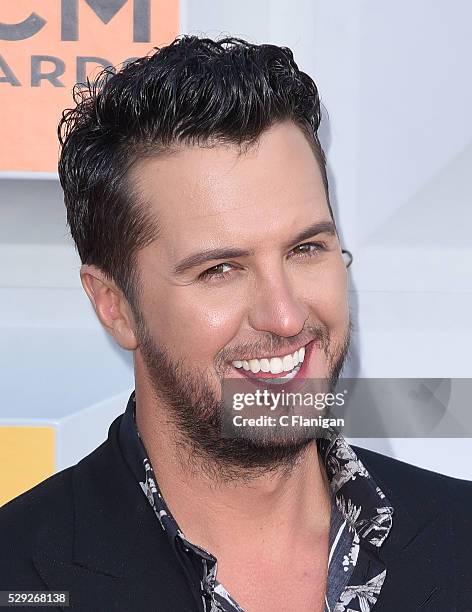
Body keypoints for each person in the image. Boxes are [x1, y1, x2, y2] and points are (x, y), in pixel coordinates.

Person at [0, 35, 470, 612]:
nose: (286, 315)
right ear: (114, 304)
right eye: (220, 269)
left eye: (306, 249)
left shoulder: (461, 539)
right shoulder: (19, 574)